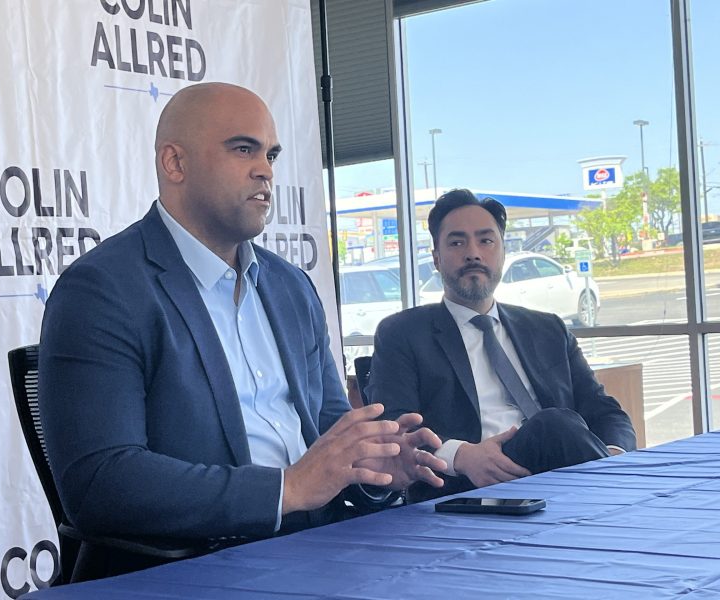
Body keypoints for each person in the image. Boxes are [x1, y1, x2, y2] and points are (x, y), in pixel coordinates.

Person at [37, 82, 447, 581]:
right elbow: (101, 483)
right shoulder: (101, 290)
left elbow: (331, 435)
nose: (266, 170)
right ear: (175, 163)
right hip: (198, 568)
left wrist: (375, 466)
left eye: (270, 154)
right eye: (243, 148)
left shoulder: (292, 287)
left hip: (321, 550)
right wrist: (286, 489)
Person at [367, 189, 636, 503]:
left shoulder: (547, 328)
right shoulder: (403, 333)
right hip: (466, 490)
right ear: (436, 259)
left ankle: (609, 487)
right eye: (457, 243)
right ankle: (621, 501)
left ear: (503, 251)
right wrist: (463, 455)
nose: (473, 254)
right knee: (555, 424)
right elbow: (394, 429)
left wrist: (613, 457)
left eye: (486, 240)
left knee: (557, 426)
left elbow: (607, 414)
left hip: (561, 478)